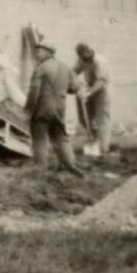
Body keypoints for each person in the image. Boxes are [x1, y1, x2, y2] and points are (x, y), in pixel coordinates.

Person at [24, 42, 85, 177]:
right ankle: (71, 166)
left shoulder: (41, 68)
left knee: (39, 139)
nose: (37, 54)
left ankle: (40, 170)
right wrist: (62, 89)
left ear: (48, 52)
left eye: (39, 51)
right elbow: (75, 87)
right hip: (59, 109)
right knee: (60, 137)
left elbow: (34, 92)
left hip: (42, 109)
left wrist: (28, 111)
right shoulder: (65, 67)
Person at [73, 43, 112, 157]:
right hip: (90, 87)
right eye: (81, 56)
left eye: (85, 54)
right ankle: (94, 141)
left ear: (89, 51)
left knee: (102, 118)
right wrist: (78, 84)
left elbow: (101, 81)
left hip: (102, 90)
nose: (83, 58)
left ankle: (103, 148)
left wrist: (88, 93)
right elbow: (74, 71)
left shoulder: (99, 61)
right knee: (85, 119)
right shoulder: (82, 59)